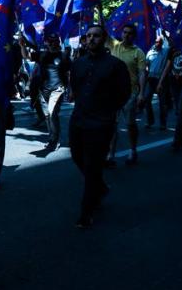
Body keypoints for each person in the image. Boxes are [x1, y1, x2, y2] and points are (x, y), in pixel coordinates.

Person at [68, 24, 131, 229]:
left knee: (93, 165)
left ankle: (86, 211)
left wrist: (108, 111)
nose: (91, 39)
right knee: (78, 157)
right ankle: (101, 187)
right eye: (88, 36)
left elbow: (124, 92)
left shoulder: (116, 65)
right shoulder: (78, 64)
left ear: (104, 39)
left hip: (101, 123)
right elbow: (76, 88)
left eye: (96, 36)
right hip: (79, 120)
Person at [106, 24, 146, 166]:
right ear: (121, 33)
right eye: (124, 32)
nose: (126, 35)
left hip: (130, 93)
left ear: (134, 36)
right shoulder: (114, 45)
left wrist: (141, 93)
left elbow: (142, 73)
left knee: (130, 124)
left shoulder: (138, 52)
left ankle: (133, 150)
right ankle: (111, 154)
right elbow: (103, 29)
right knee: (112, 124)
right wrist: (98, 6)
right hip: (112, 93)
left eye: (130, 33)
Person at [32, 34, 71, 151]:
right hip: (44, 91)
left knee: (52, 113)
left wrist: (71, 90)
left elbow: (70, 73)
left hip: (57, 90)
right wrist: (22, 45)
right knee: (47, 116)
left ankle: (54, 140)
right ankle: (52, 138)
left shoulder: (64, 56)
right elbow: (26, 56)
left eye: (55, 41)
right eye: (51, 41)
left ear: (59, 43)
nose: (53, 43)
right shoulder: (42, 55)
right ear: (47, 43)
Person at [143, 36, 171, 129]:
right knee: (147, 99)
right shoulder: (150, 52)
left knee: (162, 103)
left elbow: (171, 44)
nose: (157, 43)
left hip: (161, 80)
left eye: (159, 42)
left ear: (162, 43)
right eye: (156, 42)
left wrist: (165, 35)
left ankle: (163, 123)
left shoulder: (165, 51)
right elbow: (146, 65)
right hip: (151, 79)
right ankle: (150, 121)